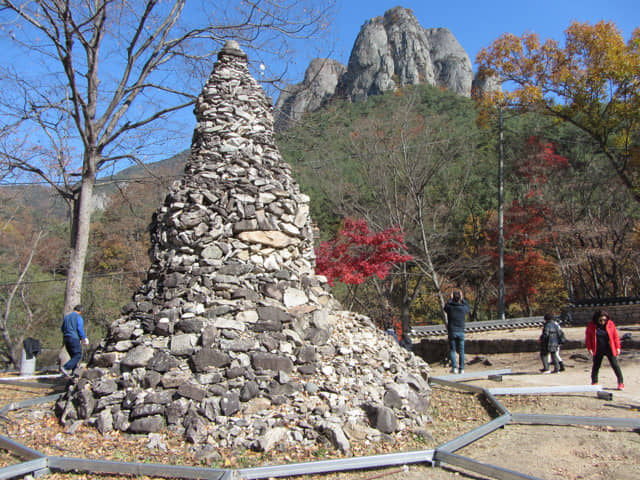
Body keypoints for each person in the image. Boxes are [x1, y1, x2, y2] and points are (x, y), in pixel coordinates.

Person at [585, 310, 624, 390]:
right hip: (598, 348)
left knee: (615, 365)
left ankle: (621, 382)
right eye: (601, 320)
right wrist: (589, 348)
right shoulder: (591, 325)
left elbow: (615, 336)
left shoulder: (610, 324)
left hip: (609, 348)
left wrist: (618, 347)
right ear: (597, 319)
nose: (603, 322)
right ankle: (594, 382)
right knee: (596, 366)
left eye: (604, 320)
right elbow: (588, 338)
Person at [444, 289, 470, 374]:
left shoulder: (450, 307)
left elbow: (445, 306)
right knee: (461, 351)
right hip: (461, 331)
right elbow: (467, 307)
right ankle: (461, 368)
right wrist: (462, 299)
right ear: (460, 298)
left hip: (452, 331)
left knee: (452, 350)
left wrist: (450, 299)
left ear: (453, 297)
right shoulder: (463, 308)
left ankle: (454, 367)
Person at [60, 304, 89, 376]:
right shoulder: (78, 317)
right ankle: (66, 368)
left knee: (73, 357)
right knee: (78, 354)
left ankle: (73, 373)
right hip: (74, 338)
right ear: (80, 311)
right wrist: (84, 338)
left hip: (66, 338)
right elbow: (79, 328)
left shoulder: (66, 317)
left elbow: (62, 328)